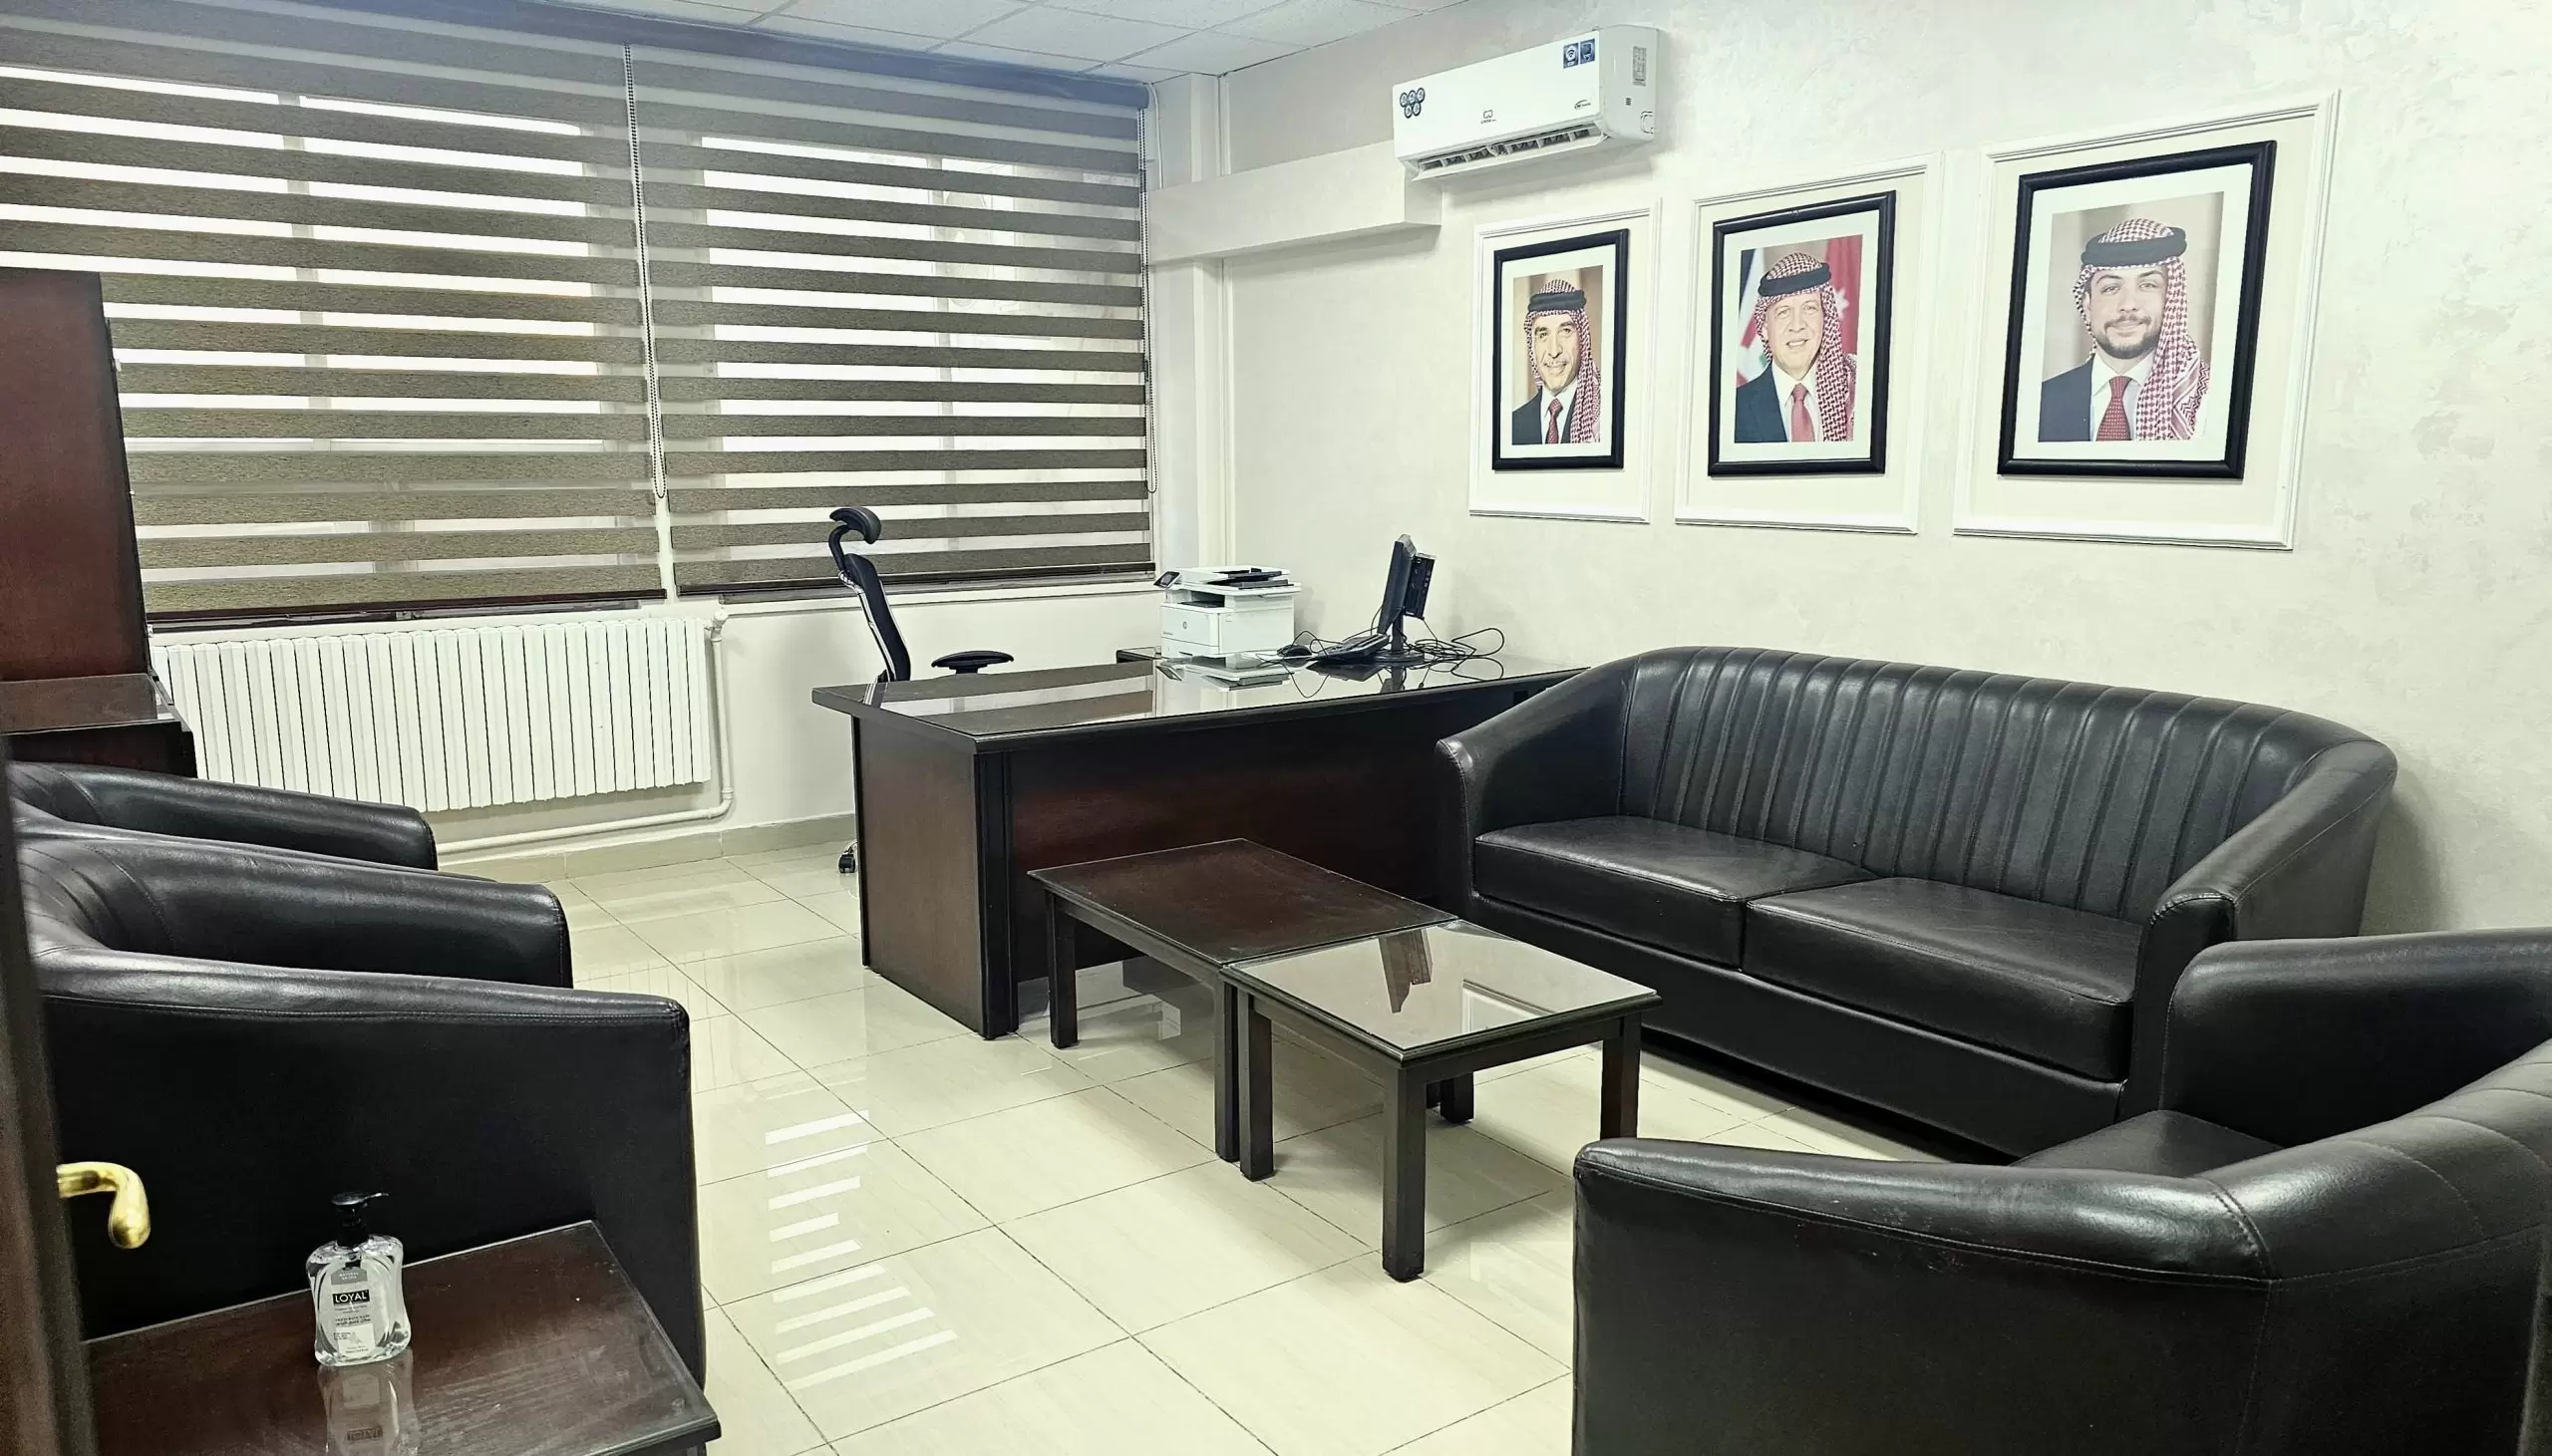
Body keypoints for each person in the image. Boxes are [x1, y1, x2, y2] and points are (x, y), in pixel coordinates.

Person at [2039, 216, 2209, 443]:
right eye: (2111, 288)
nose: (2128, 304)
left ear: (2170, 299)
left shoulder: (2203, 400)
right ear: (2087, 305)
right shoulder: (2040, 402)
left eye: (2147, 285)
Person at [1733, 250, 1856, 445]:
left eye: (1809, 308)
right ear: (1764, 328)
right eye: (1783, 312)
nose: (1797, 325)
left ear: (1826, 318)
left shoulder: (1857, 391)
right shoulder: (1734, 410)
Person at [1508, 278, 1602, 446]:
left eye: (1565, 331)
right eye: (1543, 335)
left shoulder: (1602, 418)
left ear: (1582, 339)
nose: (1553, 351)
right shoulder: (1511, 426)